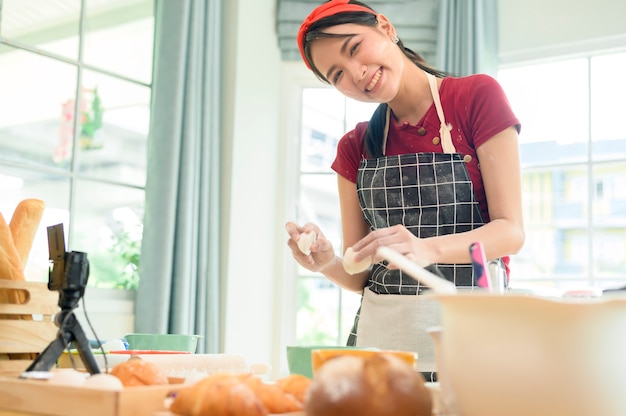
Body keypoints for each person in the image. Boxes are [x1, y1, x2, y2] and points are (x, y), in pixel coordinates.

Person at [285, 0, 525, 379]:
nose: (357, 73)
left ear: (385, 27)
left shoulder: (475, 98)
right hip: (382, 352)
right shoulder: (356, 146)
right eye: (338, 75)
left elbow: (510, 232)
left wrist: (427, 248)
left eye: (354, 49)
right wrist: (327, 261)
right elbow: (360, 273)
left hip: (471, 340)